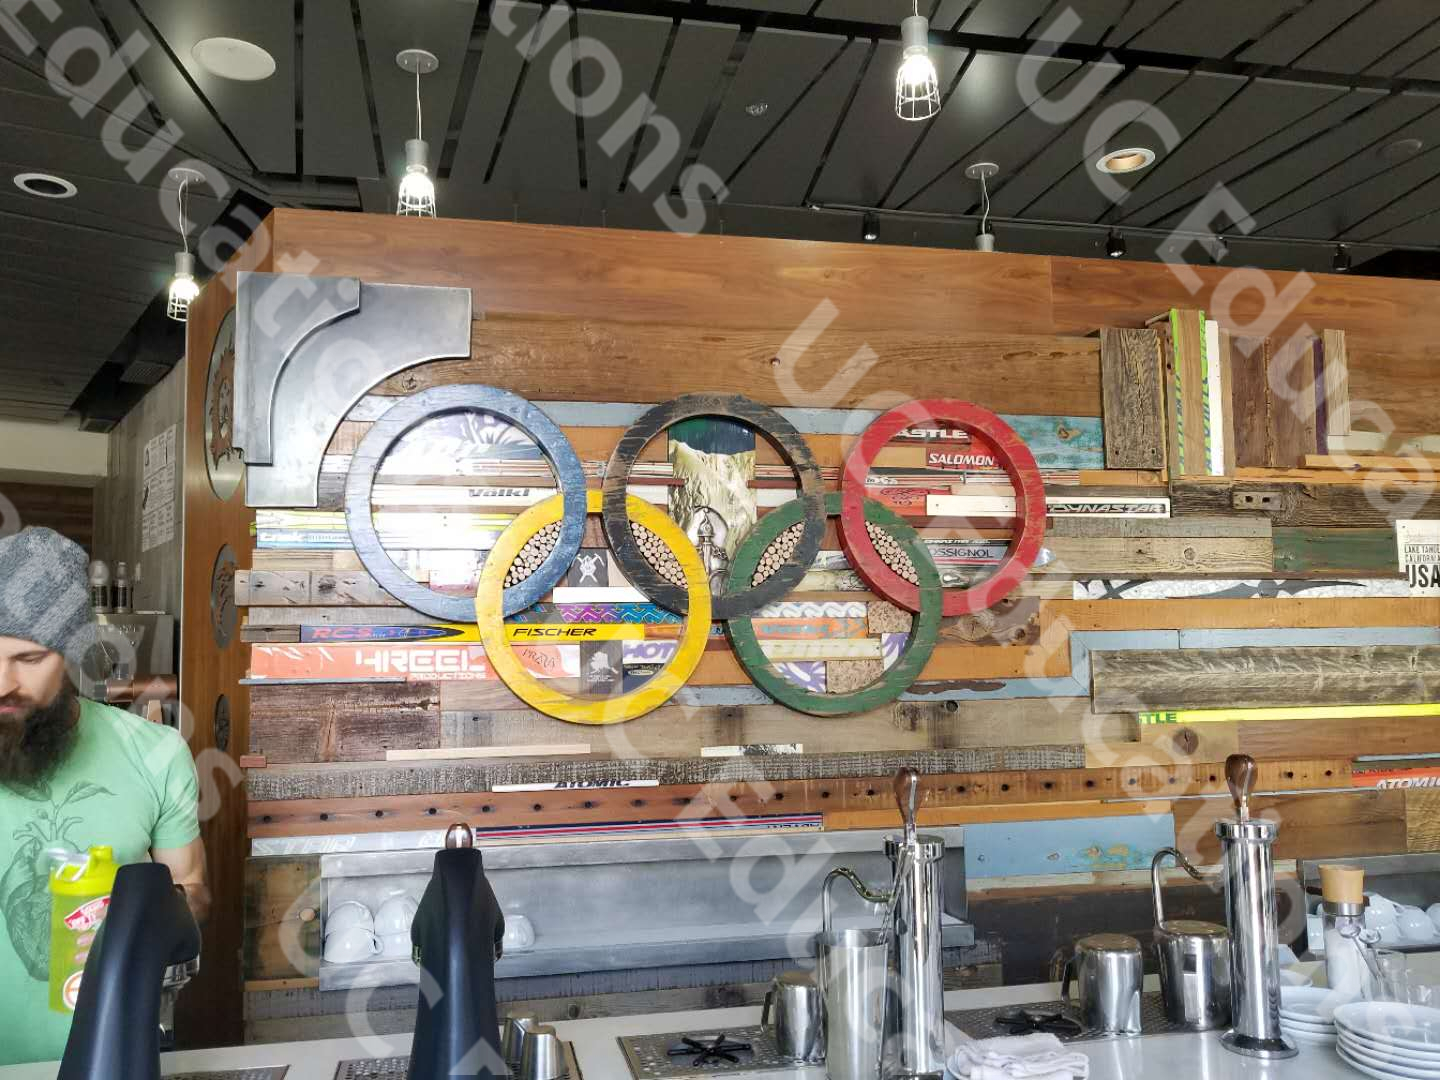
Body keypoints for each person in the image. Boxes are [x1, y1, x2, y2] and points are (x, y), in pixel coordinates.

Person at [0, 526, 209, 1066]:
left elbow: (191, 891)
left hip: (110, 1058)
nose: (2, 682)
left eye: (28, 659)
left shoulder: (156, 754)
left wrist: (140, 917)